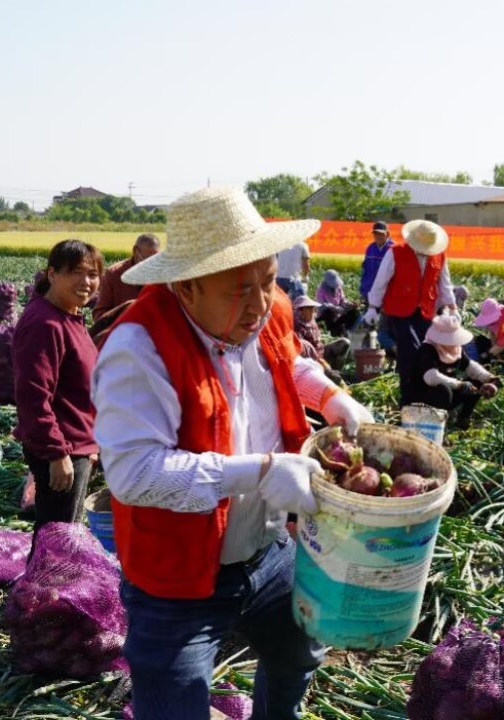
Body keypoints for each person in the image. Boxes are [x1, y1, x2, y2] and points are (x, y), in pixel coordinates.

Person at [92, 187, 374, 720]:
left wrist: (332, 397)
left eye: (268, 281)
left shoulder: (267, 312)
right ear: (186, 285)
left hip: (269, 552)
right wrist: (262, 472)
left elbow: (285, 364)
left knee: (298, 654)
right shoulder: (138, 349)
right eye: (240, 290)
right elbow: (132, 473)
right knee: (173, 705)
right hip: (177, 578)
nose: (260, 303)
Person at [13, 240, 103, 541]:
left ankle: (47, 585)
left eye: (92, 274)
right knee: (57, 536)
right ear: (52, 274)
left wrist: (90, 444)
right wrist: (56, 453)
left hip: (76, 443)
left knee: (63, 532)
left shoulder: (69, 315)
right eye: (76, 272)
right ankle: (41, 588)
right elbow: (33, 395)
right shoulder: (45, 323)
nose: (86, 282)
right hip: (60, 447)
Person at [363, 220, 456, 406]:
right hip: (398, 310)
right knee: (409, 351)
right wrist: (373, 306)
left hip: (425, 312)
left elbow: (444, 283)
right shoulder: (395, 253)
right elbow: (381, 280)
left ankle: (423, 395)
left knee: (425, 352)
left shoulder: (439, 256)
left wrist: (452, 307)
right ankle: (407, 399)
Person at [408, 314, 501, 430]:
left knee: (475, 384)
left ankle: (462, 420)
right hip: (424, 397)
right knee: (444, 390)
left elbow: (471, 366)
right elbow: (431, 377)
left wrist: (489, 378)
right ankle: (438, 426)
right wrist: (459, 384)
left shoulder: (455, 350)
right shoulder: (427, 349)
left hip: (448, 393)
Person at [92, 233, 160, 322]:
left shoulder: (161, 275)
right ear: (136, 251)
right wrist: (125, 312)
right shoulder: (113, 274)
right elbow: (99, 314)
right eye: (147, 260)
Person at [293, 295, 350, 372]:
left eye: (312, 308)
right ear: (301, 310)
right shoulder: (295, 325)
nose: (313, 311)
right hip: (309, 360)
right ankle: (328, 374)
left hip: (320, 353)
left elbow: (318, 342)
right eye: (309, 309)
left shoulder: (311, 322)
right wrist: (319, 361)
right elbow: (301, 350)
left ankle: (336, 373)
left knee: (344, 343)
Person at [314, 269, 358, 336]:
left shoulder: (338, 288)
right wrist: (335, 308)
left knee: (353, 311)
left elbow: (343, 300)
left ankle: (345, 329)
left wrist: (348, 305)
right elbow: (322, 305)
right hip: (326, 317)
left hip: (338, 315)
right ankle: (332, 331)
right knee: (328, 312)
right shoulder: (321, 290)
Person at [359, 221, 394, 302]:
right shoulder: (370, 248)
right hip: (369, 289)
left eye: (381, 234)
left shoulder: (393, 249)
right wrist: (363, 289)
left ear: (387, 234)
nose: (378, 236)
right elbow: (366, 270)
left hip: (386, 292)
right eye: (375, 234)